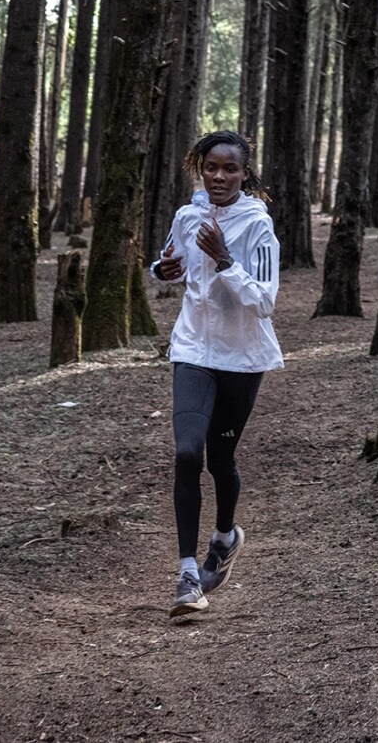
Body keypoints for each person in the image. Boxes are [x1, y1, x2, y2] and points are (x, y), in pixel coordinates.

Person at [149, 130, 282, 615]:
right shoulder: (188, 216)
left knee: (219, 459)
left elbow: (265, 302)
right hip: (192, 349)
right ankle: (187, 575)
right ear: (199, 170)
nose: (219, 176)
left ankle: (225, 536)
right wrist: (163, 270)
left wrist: (225, 259)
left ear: (245, 174)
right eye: (211, 168)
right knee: (187, 452)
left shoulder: (257, 226)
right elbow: (173, 264)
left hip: (242, 357)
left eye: (230, 169)